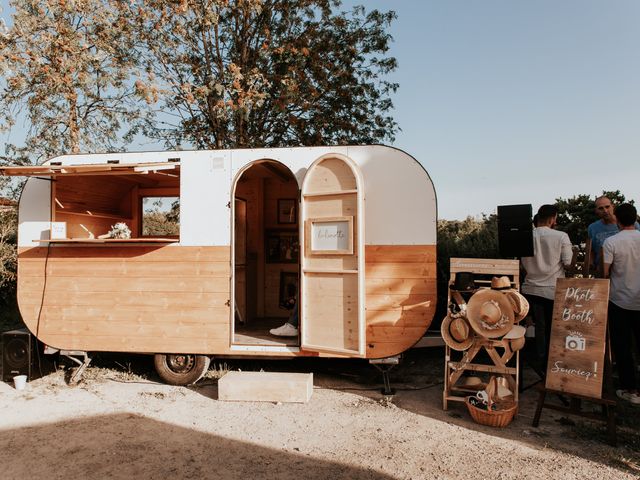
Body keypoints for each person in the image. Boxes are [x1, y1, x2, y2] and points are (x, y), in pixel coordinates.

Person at [521, 204, 573, 371]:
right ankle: (552, 364)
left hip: (531, 288)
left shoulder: (526, 236)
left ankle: (540, 361)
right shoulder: (561, 236)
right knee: (553, 327)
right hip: (553, 289)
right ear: (553, 218)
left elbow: (521, 265)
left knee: (539, 326)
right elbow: (568, 264)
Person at [602, 203, 640, 405]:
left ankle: (630, 389)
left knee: (623, 346)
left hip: (619, 300)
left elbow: (605, 272)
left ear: (617, 218)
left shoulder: (611, 242)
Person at [588, 196, 640, 276]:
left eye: (607, 207)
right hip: (602, 272)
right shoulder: (592, 228)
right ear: (596, 211)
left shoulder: (632, 224)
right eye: (601, 208)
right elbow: (591, 250)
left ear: (613, 206)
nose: (605, 211)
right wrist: (590, 263)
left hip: (627, 271)